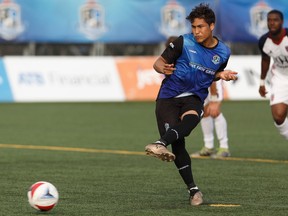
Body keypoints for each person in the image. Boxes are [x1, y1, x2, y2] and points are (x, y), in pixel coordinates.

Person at [144, 3, 237, 206]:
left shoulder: (223, 52)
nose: (196, 31)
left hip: (194, 97)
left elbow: (211, 74)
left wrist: (220, 74)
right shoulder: (182, 42)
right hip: (168, 98)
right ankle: (194, 191)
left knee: (191, 120)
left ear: (212, 26)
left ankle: (159, 144)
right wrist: (163, 69)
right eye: (194, 27)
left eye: (200, 27)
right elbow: (157, 63)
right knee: (178, 146)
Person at [258, 9, 288, 140]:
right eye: (269, 20)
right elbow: (265, 60)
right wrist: (262, 82)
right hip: (280, 77)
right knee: (278, 116)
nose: (272, 23)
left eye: (275, 20)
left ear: (281, 22)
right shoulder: (264, 41)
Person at [191, 80, 231, 158]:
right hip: (201, 83)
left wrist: (213, 98)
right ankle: (208, 147)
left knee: (215, 112)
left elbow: (212, 73)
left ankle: (224, 148)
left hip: (214, 81)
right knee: (205, 112)